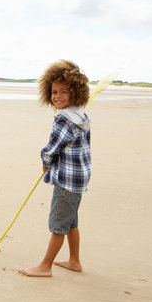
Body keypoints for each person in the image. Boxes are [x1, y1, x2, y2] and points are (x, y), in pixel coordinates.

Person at [19, 60, 91, 277]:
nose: (57, 96)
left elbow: (52, 148)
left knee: (59, 223)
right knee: (71, 222)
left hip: (67, 180)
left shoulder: (64, 119)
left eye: (64, 92)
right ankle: (74, 261)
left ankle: (45, 266)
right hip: (80, 177)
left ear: (76, 93)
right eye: (54, 92)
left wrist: (45, 160)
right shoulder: (80, 115)